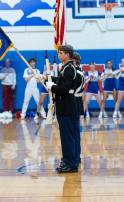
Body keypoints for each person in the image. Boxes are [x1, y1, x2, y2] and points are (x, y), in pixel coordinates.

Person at [46, 45, 79, 173]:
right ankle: (68, 161)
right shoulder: (66, 68)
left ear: (67, 55)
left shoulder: (69, 68)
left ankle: (70, 164)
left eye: (61, 53)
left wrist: (52, 87)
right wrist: (48, 79)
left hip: (67, 107)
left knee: (67, 138)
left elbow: (64, 89)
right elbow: (61, 80)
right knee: (65, 137)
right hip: (65, 107)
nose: (59, 55)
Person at [73, 52, 85, 164]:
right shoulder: (80, 72)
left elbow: (69, 89)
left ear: (74, 61)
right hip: (77, 101)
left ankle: (76, 156)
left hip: (75, 101)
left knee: (74, 131)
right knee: (75, 131)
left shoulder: (77, 73)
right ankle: (77, 155)